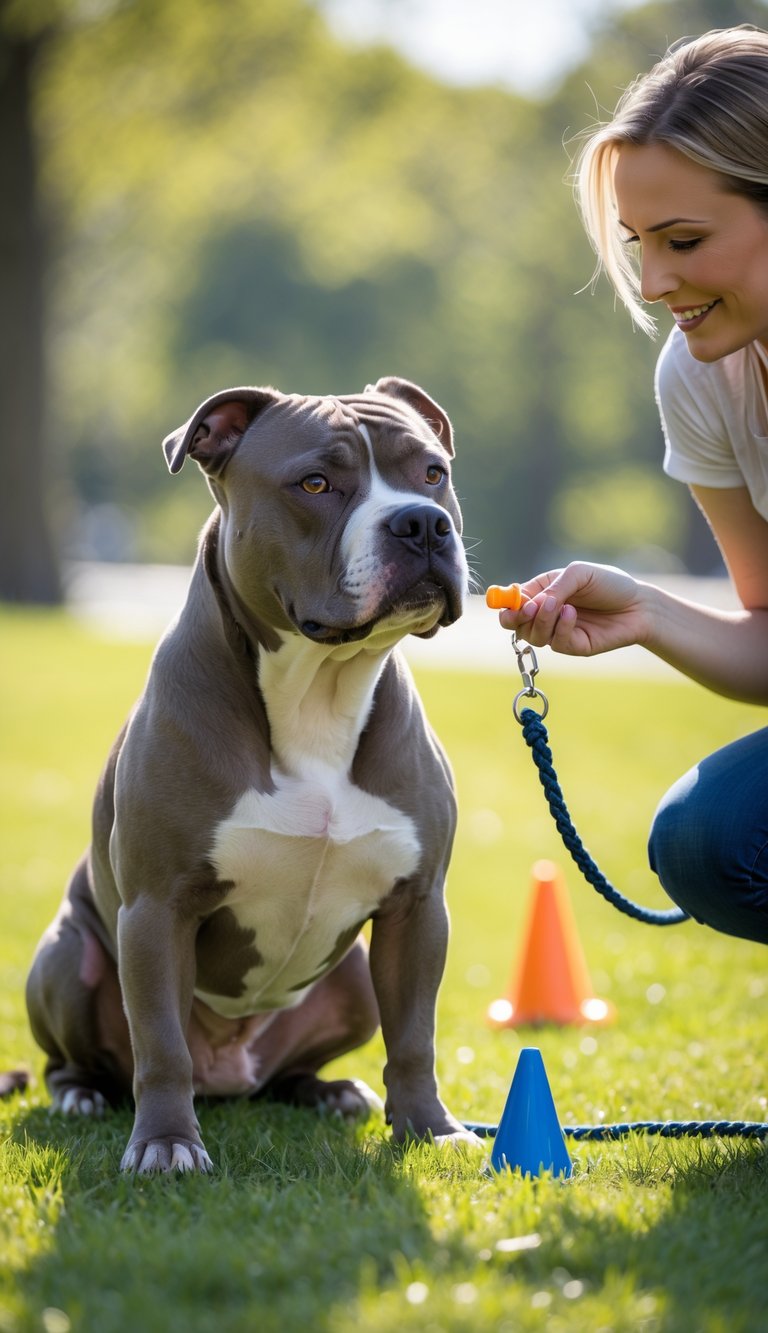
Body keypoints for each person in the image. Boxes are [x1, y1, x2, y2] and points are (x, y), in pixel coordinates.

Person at [498, 26, 768, 946]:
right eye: (639, 243)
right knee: (707, 840)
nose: (653, 283)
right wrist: (649, 613)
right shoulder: (700, 378)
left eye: (684, 239)